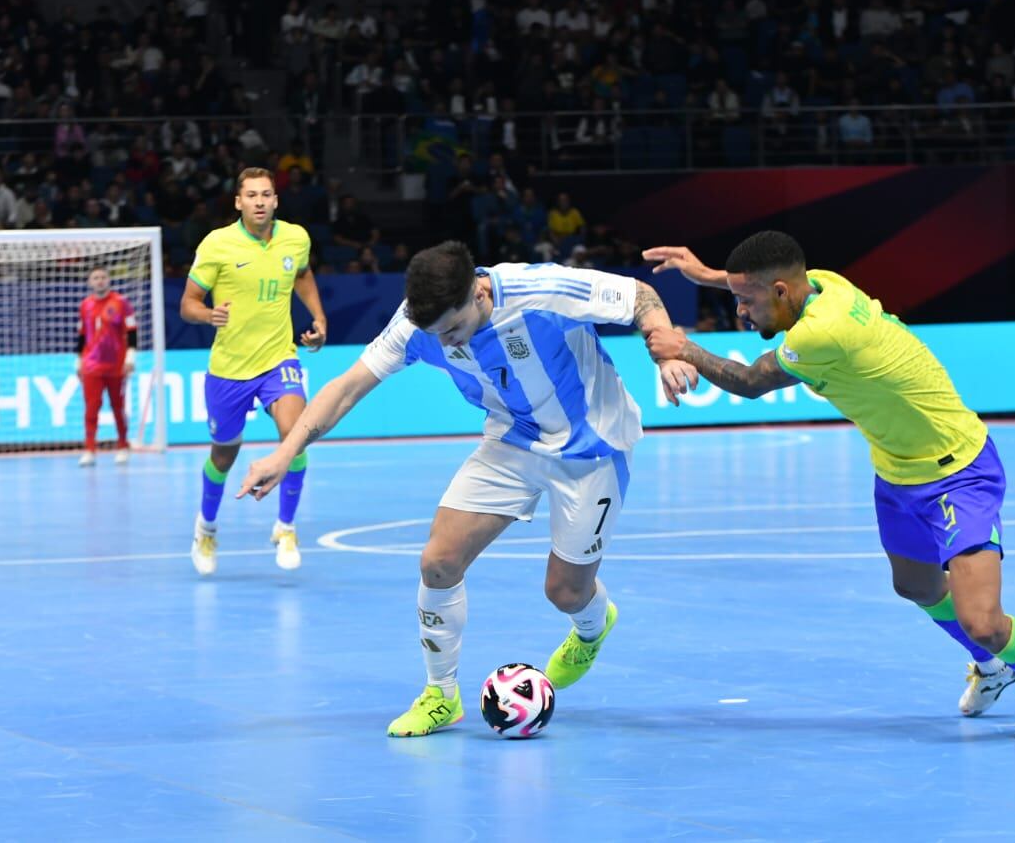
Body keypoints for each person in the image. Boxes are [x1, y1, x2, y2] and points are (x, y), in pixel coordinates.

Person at [236, 241, 698, 737]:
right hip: (513, 438)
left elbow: (639, 296)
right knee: (438, 561)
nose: (448, 343)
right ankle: (441, 695)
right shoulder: (416, 324)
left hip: (593, 445)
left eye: (454, 328)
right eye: (438, 335)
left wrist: (667, 351)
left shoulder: (539, 290)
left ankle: (592, 625)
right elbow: (347, 387)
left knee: (565, 592)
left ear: (479, 294)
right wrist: (286, 452)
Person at [643, 232, 1015, 740]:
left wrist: (682, 346)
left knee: (983, 620)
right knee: (916, 586)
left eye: (745, 300)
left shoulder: (822, 334)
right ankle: (989, 667)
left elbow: (751, 382)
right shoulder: (824, 283)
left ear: (780, 291)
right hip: (897, 471)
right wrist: (707, 274)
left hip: (958, 472)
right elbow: (778, 286)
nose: (740, 313)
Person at [180, 166, 327, 575]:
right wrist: (209, 314)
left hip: (279, 359)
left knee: (294, 437)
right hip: (228, 369)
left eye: (266, 194)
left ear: (276, 200)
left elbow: (303, 274)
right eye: (252, 195)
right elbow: (188, 302)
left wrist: (318, 317)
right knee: (224, 455)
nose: (260, 201)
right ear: (238, 202)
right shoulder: (218, 244)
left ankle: (285, 527)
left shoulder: (295, 238)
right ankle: (206, 527)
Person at [76, 266, 136, 466]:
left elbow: (132, 331)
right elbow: (82, 335)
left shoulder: (121, 303)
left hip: (116, 365)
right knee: (91, 409)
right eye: (95, 277)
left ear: (108, 280)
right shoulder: (85, 305)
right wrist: (78, 361)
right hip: (91, 365)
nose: (99, 280)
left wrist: (131, 356)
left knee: (118, 407)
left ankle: (122, 446)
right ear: (90, 282)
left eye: (103, 277)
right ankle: (90, 450)